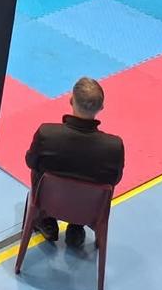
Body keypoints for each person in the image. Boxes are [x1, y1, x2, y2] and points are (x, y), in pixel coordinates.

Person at [25, 77, 125, 246]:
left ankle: (46, 220)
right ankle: (77, 226)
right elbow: (114, 179)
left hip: (49, 201)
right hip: (89, 209)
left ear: (71, 100)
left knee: (38, 169)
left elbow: (30, 162)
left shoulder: (47, 134)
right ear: (101, 107)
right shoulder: (113, 147)